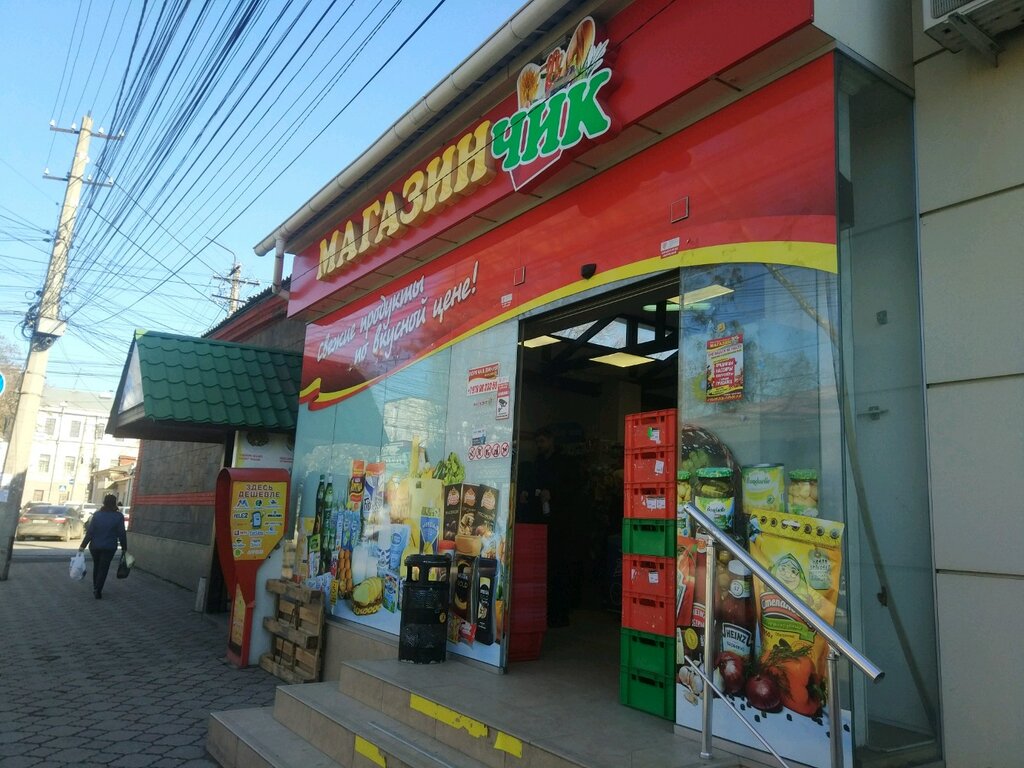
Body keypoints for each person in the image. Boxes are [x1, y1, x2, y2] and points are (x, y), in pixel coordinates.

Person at [529, 427, 583, 627]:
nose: (539, 445)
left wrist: (554, 494)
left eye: (542, 441)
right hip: (542, 521)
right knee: (545, 568)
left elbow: (574, 488)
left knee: (559, 567)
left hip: (561, 523)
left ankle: (559, 614)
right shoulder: (538, 462)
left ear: (551, 440)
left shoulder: (565, 463)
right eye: (537, 442)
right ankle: (545, 612)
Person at [79, 494, 128, 599]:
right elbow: (121, 533)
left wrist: (82, 546)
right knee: (104, 568)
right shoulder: (118, 516)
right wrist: (124, 547)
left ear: (104, 502)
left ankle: (95, 586)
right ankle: (98, 589)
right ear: (115, 503)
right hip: (109, 547)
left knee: (97, 566)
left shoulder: (97, 515)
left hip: (95, 546)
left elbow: (90, 532)